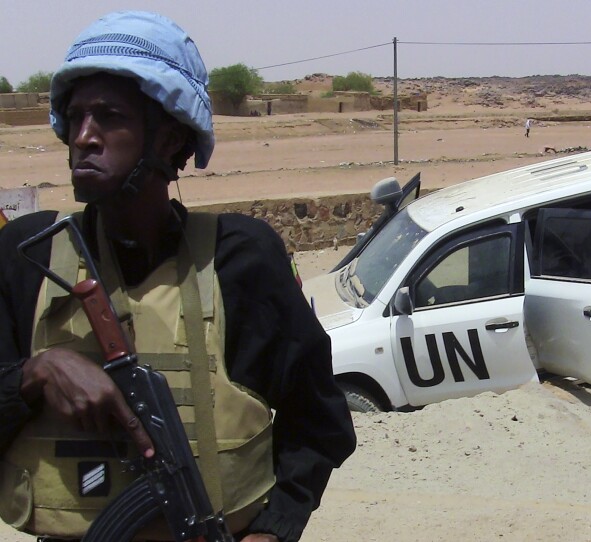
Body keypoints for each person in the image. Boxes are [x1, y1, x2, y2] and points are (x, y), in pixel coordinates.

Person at [0, 11, 355, 542]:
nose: (84, 137)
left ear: (168, 138)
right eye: (75, 118)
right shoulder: (29, 256)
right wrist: (36, 374)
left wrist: (274, 528)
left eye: (109, 117)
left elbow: (319, 421)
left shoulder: (240, 260)